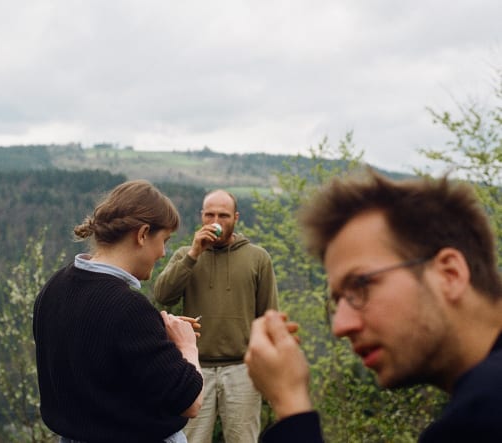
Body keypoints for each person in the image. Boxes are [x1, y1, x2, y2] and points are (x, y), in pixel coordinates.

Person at [244, 170, 502, 442]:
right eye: (338, 301)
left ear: (449, 275)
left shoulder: (482, 414)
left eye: (361, 286)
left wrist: (290, 405)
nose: (340, 326)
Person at [33, 179, 204, 443]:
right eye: (164, 240)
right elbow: (190, 402)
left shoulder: (54, 288)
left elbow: (99, 362)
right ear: (143, 234)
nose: (163, 253)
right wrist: (186, 345)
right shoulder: (129, 309)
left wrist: (154, 335)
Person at [154, 189, 279, 443]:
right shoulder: (185, 256)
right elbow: (163, 295)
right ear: (201, 216)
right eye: (209, 214)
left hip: (243, 369)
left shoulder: (257, 258)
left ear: (236, 217)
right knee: (191, 439)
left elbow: (269, 317)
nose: (216, 221)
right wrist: (193, 254)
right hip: (194, 368)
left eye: (223, 215)